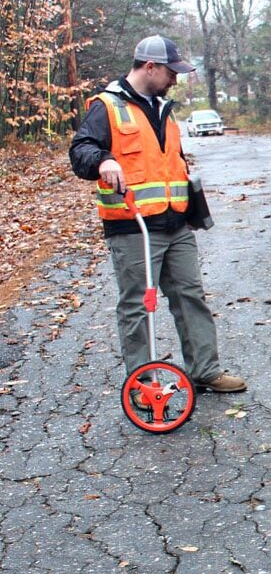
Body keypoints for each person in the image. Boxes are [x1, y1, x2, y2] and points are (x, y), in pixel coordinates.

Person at [69, 34, 246, 396]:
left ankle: (205, 371)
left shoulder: (164, 108)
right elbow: (81, 150)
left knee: (190, 295)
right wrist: (103, 160)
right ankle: (142, 385)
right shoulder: (107, 106)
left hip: (176, 223)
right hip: (133, 227)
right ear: (150, 67)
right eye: (171, 72)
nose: (175, 80)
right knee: (136, 306)